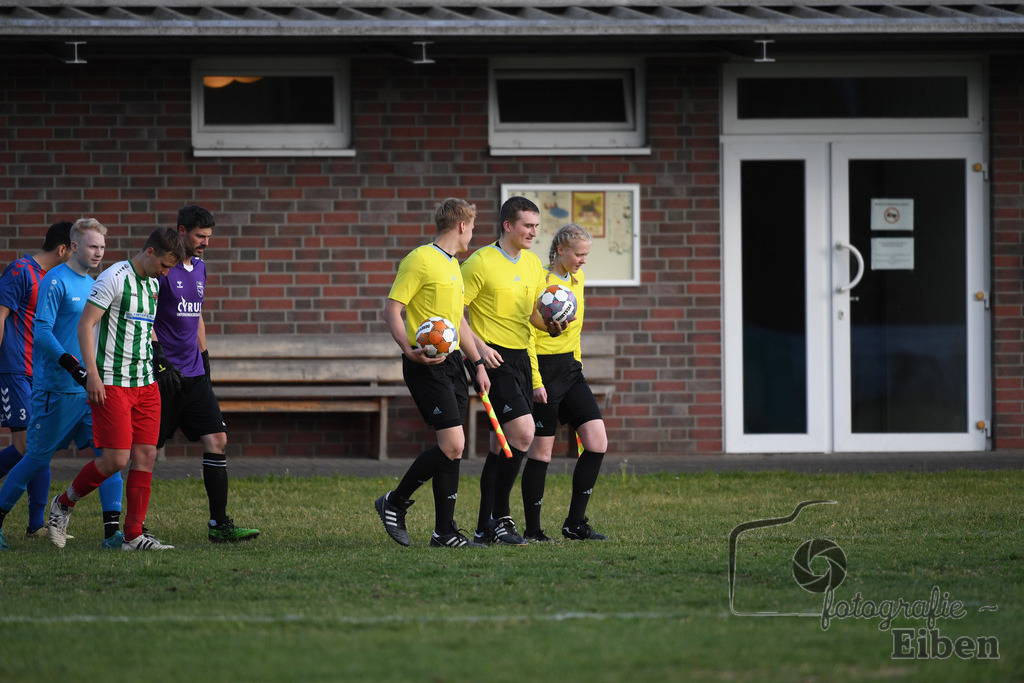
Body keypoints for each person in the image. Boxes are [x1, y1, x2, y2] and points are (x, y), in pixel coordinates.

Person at [47, 227, 188, 551]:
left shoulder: (154, 282)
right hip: (112, 383)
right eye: (164, 265)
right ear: (150, 252)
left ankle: (133, 535)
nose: (166, 273)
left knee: (146, 455)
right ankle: (64, 503)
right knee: (114, 459)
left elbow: (144, 328)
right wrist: (92, 375)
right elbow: (86, 325)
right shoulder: (113, 278)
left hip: (145, 384)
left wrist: (160, 361)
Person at [0, 219, 125, 551]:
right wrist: (72, 366)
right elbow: (42, 333)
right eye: (91, 246)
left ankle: (112, 533)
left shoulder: (96, 284)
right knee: (35, 459)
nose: (98, 253)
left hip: (89, 390)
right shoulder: (55, 280)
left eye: (102, 247)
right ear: (72, 246)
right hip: (56, 389)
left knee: (109, 455)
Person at [374, 198, 490, 548]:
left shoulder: (454, 265)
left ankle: (444, 532)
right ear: (461, 226)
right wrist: (408, 350)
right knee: (454, 444)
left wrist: (478, 363)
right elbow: (393, 310)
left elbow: (457, 322)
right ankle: (394, 501)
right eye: (472, 226)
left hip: (454, 364)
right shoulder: (420, 259)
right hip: (426, 364)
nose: (472, 232)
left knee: (453, 449)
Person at [153, 205, 259, 543]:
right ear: (181, 230)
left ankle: (219, 525)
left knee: (217, 440)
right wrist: (159, 360)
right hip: (165, 375)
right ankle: (132, 526)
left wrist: (205, 354)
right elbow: (146, 317)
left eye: (209, 237)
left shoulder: (200, 267)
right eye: (200, 236)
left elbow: (196, 315)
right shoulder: (161, 270)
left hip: (194, 373)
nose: (206, 243)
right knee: (146, 452)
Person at [461, 196, 546, 545]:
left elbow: (534, 318)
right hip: (491, 360)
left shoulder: (533, 265)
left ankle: (484, 527)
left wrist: (554, 324)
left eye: (536, 226)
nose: (533, 233)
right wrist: (479, 351)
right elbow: (455, 312)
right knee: (524, 434)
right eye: (528, 226)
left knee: (502, 447)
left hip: (521, 360)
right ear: (508, 225)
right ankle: (502, 517)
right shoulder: (479, 262)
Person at [522, 223, 609, 542]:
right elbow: (528, 332)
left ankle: (575, 523)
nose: (583, 260)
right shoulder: (540, 281)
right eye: (579, 254)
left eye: (587, 254)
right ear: (560, 250)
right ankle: (532, 530)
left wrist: (578, 366)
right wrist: (534, 380)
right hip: (542, 372)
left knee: (597, 441)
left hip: (570, 370)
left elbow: (576, 331)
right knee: (541, 453)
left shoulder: (578, 279)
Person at [0, 221, 72, 546]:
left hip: (39, 375)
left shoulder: (54, 279)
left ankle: (35, 526)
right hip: (15, 370)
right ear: (63, 249)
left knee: (37, 447)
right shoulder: (21, 271)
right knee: (26, 447)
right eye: (76, 249)